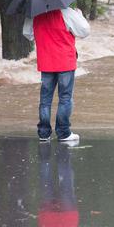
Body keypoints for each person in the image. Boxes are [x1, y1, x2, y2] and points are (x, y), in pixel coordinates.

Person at [23, 7, 90, 142]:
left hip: (46, 60)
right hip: (65, 61)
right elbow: (84, 31)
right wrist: (80, 15)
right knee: (65, 97)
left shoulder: (34, 13)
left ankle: (44, 133)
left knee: (45, 99)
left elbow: (28, 34)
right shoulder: (68, 12)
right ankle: (64, 133)